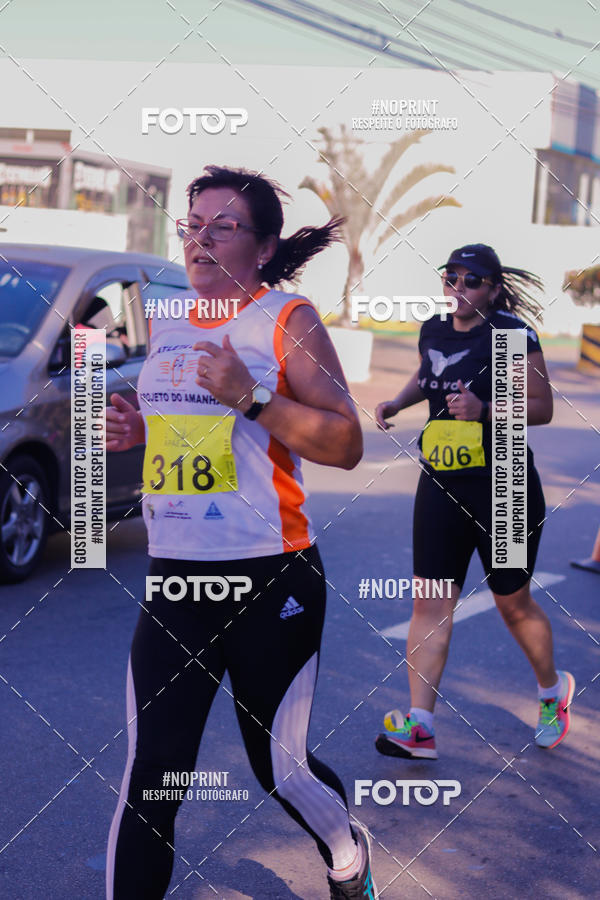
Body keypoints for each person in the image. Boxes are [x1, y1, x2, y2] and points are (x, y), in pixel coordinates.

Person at [104, 166, 377, 900]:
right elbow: (193, 436)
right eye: (191, 224)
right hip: (177, 579)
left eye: (221, 227)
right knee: (153, 775)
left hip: (272, 576)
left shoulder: (288, 319)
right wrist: (136, 430)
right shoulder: (167, 320)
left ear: (262, 247)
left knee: (278, 770)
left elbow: (345, 444)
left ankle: (347, 849)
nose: (199, 239)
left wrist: (251, 396)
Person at [374, 243, 574, 760]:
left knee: (512, 602)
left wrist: (484, 409)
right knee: (431, 598)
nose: (457, 288)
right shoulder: (434, 329)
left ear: (494, 288)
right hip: (441, 480)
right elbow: (430, 374)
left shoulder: (511, 334)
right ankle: (420, 726)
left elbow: (543, 407)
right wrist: (398, 401)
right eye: (451, 277)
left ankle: (552, 692)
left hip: (504, 482)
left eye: (471, 280)